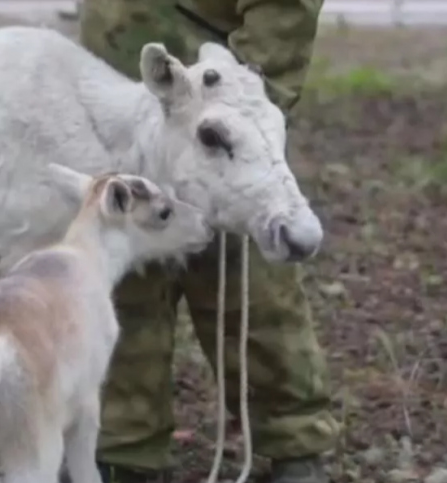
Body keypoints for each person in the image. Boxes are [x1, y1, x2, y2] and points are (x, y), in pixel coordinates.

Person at [77, 2, 339, 483]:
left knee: (247, 283)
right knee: (120, 268)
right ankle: (121, 445)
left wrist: (250, 94)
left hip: (213, 88)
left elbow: (285, 7)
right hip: (112, 91)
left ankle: (293, 443)